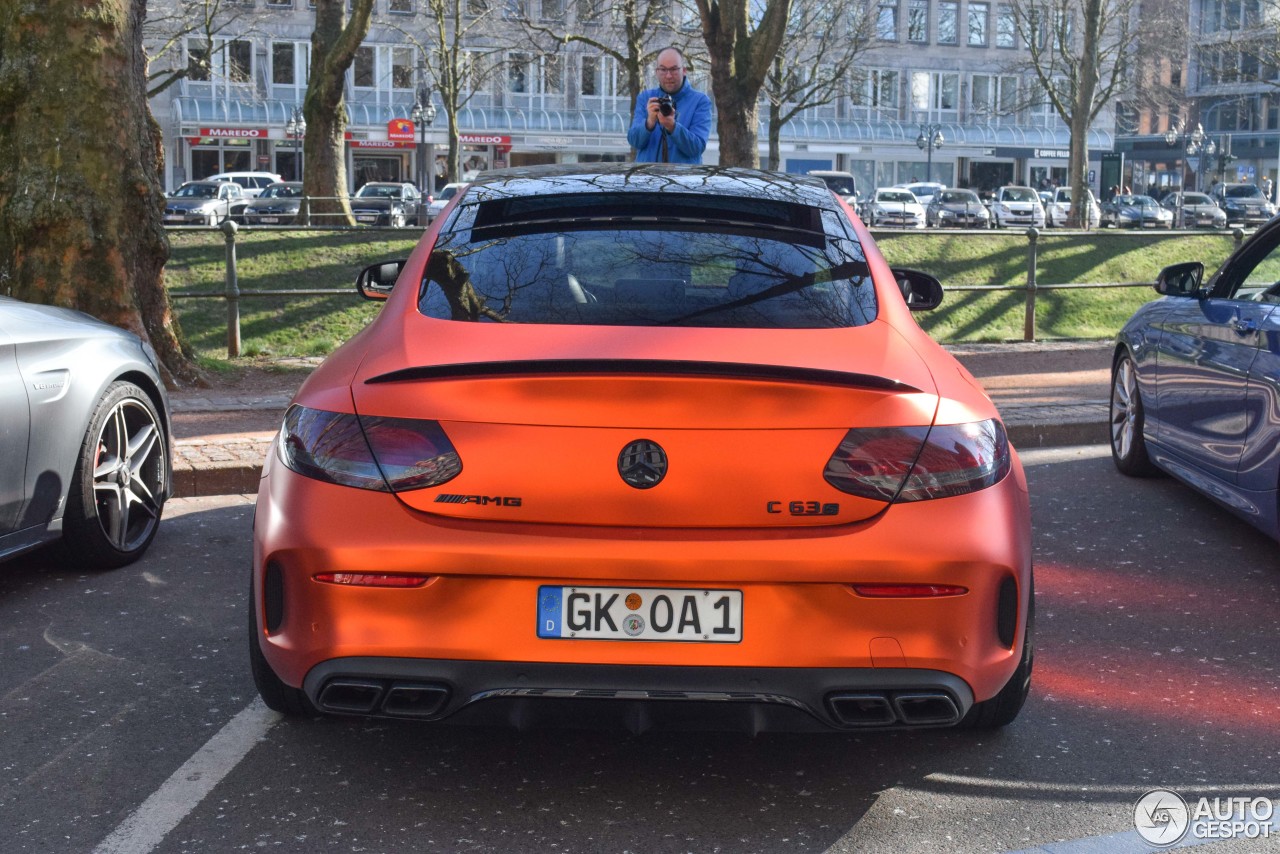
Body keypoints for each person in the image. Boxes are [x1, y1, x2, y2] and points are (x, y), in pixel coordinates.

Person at [627, 48, 711, 164]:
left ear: (684, 70)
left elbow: (696, 148)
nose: (668, 75)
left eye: (674, 69)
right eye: (663, 69)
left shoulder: (700, 101)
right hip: (647, 178)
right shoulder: (646, 98)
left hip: (684, 180)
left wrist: (673, 127)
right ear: (656, 72)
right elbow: (634, 141)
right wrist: (649, 123)